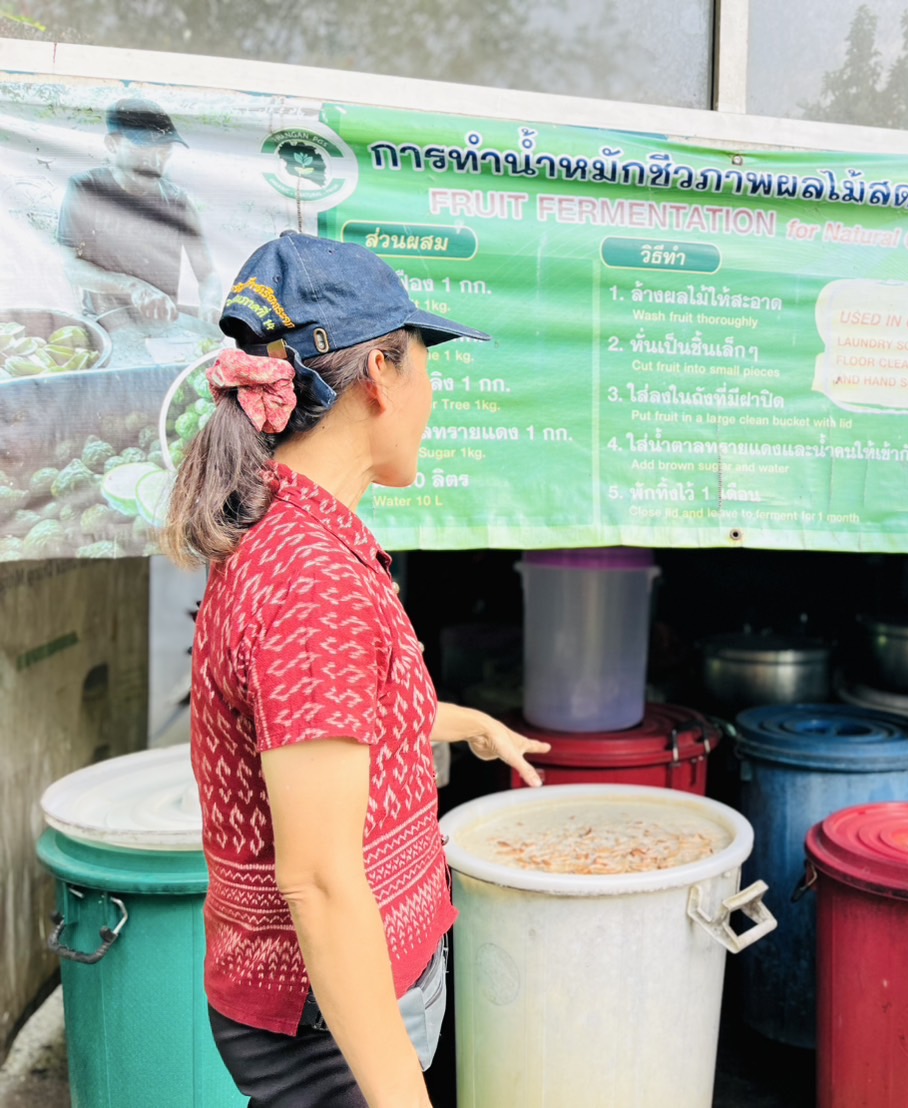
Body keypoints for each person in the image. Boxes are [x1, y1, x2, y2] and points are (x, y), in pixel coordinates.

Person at [163, 231, 548, 1107]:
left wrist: (465, 723)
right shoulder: (313, 579)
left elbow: (321, 715)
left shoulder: (287, 533)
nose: (430, 397)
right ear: (381, 374)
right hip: (331, 1017)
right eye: (424, 365)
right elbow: (322, 879)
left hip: (342, 1001)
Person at [57, 97, 223, 325]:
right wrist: (132, 286)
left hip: (163, 325)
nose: (154, 162)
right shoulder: (87, 188)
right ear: (112, 144)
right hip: (103, 324)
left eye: (164, 151)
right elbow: (69, 266)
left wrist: (211, 304)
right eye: (142, 148)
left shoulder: (178, 201)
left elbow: (207, 275)